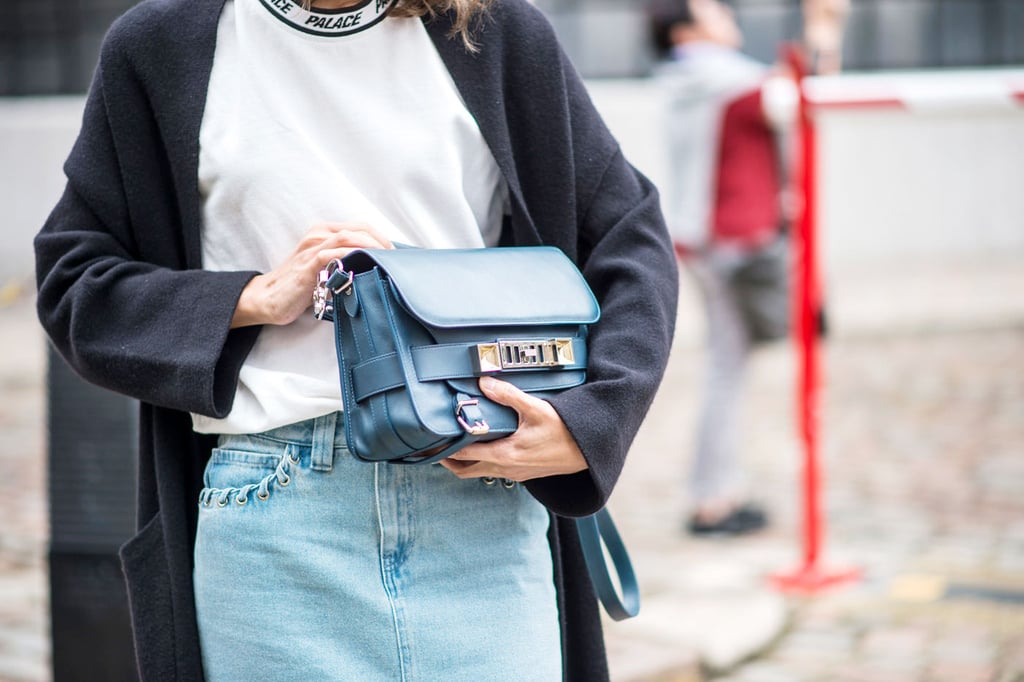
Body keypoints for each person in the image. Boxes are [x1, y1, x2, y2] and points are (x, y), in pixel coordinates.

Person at [34, 0, 679, 679]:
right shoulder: (163, 45)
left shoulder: (493, 31)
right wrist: (251, 298)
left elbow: (630, 235)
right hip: (274, 518)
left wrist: (590, 421)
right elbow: (75, 280)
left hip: (480, 498)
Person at [648, 0, 798, 536]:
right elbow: (801, 97)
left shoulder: (683, 80)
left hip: (705, 237)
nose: (731, 16)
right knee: (726, 373)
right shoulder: (733, 83)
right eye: (718, 12)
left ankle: (717, 491)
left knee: (726, 368)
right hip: (734, 241)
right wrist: (826, 24)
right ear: (688, 31)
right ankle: (712, 500)